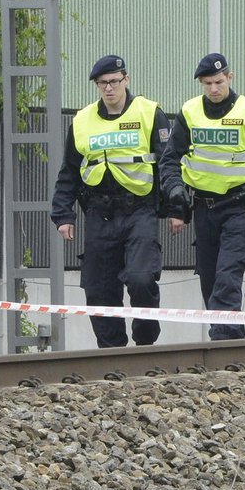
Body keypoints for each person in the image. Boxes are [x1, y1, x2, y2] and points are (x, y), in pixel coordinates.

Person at [159, 53, 245, 341]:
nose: (214, 89)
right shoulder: (190, 112)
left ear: (230, 78)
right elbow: (169, 160)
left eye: (219, 82)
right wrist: (175, 192)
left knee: (227, 278)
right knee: (210, 284)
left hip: (239, 208)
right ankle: (233, 345)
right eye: (207, 83)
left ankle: (222, 347)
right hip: (204, 210)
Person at [50, 55, 172, 348]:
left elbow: (167, 165)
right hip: (98, 212)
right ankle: (112, 353)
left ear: (126, 80)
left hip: (139, 210)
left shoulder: (149, 113)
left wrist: (175, 209)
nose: (108, 88)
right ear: (96, 85)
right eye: (102, 83)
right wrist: (63, 214)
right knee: (98, 288)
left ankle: (144, 341)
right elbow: (69, 170)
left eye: (114, 81)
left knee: (141, 279)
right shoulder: (82, 121)